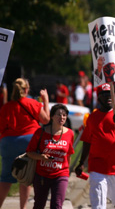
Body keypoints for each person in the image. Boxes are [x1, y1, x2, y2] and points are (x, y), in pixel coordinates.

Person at [74, 83, 115, 209]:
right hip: (98, 167)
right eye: (105, 94)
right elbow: (87, 141)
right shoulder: (92, 118)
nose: (108, 97)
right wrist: (81, 162)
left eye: (110, 94)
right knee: (98, 204)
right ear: (99, 98)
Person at [0, 78, 50, 209]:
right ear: (26, 90)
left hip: (8, 142)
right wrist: (45, 100)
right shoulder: (32, 103)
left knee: (5, 177)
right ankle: (22, 207)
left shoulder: (6, 107)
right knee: (26, 176)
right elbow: (45, 120)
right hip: (28, 141)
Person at [26, 103, 75, 209]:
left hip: (61, 175)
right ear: (52, 116)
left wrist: (66, 172)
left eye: (64, 115)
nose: (61, 117)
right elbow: (30, 152)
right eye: (58, 115)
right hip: (42, 175)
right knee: (39, 204)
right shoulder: (40, 132)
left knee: (57, 205)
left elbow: (69, 154)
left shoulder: (70, 133)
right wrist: (41, 157)